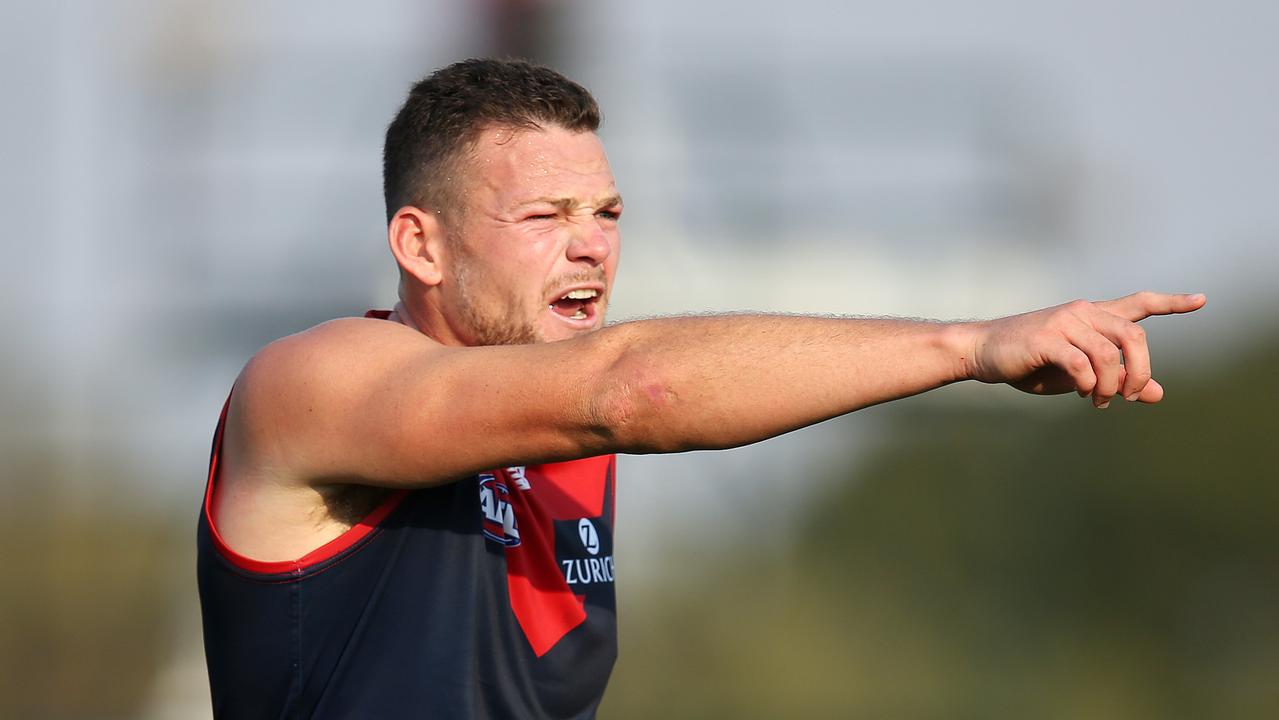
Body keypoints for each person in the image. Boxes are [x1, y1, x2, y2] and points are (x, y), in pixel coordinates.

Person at [196, 58, 1205, 719]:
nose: (592, 242)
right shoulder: (311, 386)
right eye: (545, 214)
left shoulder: (565, 444)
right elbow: (637, 388)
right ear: (420, 242)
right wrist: (968, 343)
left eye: (607, 209)